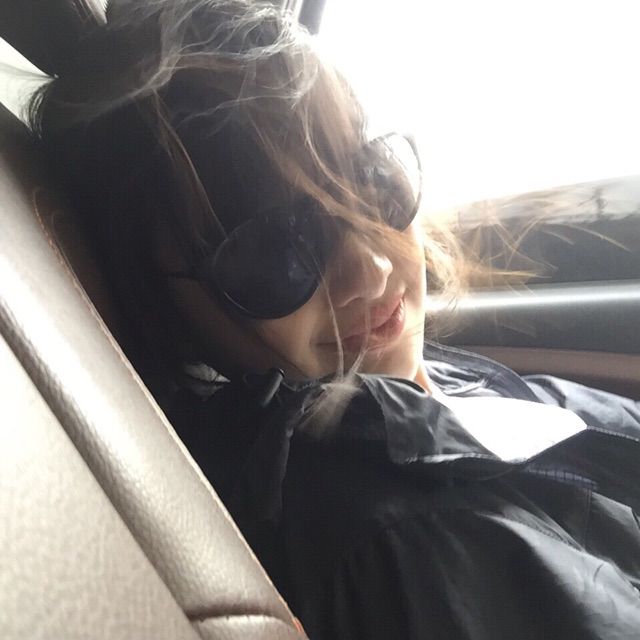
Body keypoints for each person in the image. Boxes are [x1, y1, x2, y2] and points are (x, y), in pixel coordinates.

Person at [30, 1, 640, 638]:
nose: (371, 269)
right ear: (168, 315)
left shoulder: (418, 388)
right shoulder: (409, 548)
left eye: (370, 179)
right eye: (269, 253)